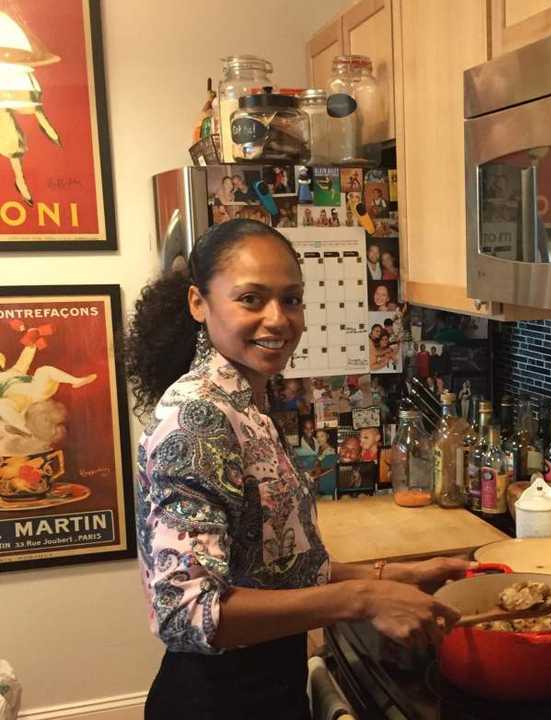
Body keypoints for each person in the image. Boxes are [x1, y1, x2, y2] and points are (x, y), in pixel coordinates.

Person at [124, 219, 471, 719]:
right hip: (220, 701)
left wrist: (395, 576)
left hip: (266, 686)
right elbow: (186, 613)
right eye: (251, 299)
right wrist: (362, 598)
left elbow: (277, 569)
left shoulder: (244, 404)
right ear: (199, 303)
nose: (278, 319)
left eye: (291, 299)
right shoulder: (198, 418)